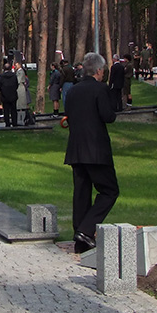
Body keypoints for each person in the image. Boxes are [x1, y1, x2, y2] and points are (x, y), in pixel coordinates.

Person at [64, 52, 119, 253]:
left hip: (76, 148)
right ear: (98, 70)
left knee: (81, 193)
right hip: (96, 150)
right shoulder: (100, 89)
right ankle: (86, 230)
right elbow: (108, 116)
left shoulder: (73, 91)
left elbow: (69, 116)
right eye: (103, 70)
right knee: (110, 190)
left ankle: (80, 241)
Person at [0, 62, 19, 128]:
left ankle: (7, 123)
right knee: (13, 110)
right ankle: (14, 122)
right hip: (12, 94)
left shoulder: (1, 76)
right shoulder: (14, 76)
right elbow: (16, 85)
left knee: (6, 110)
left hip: (4, 95)